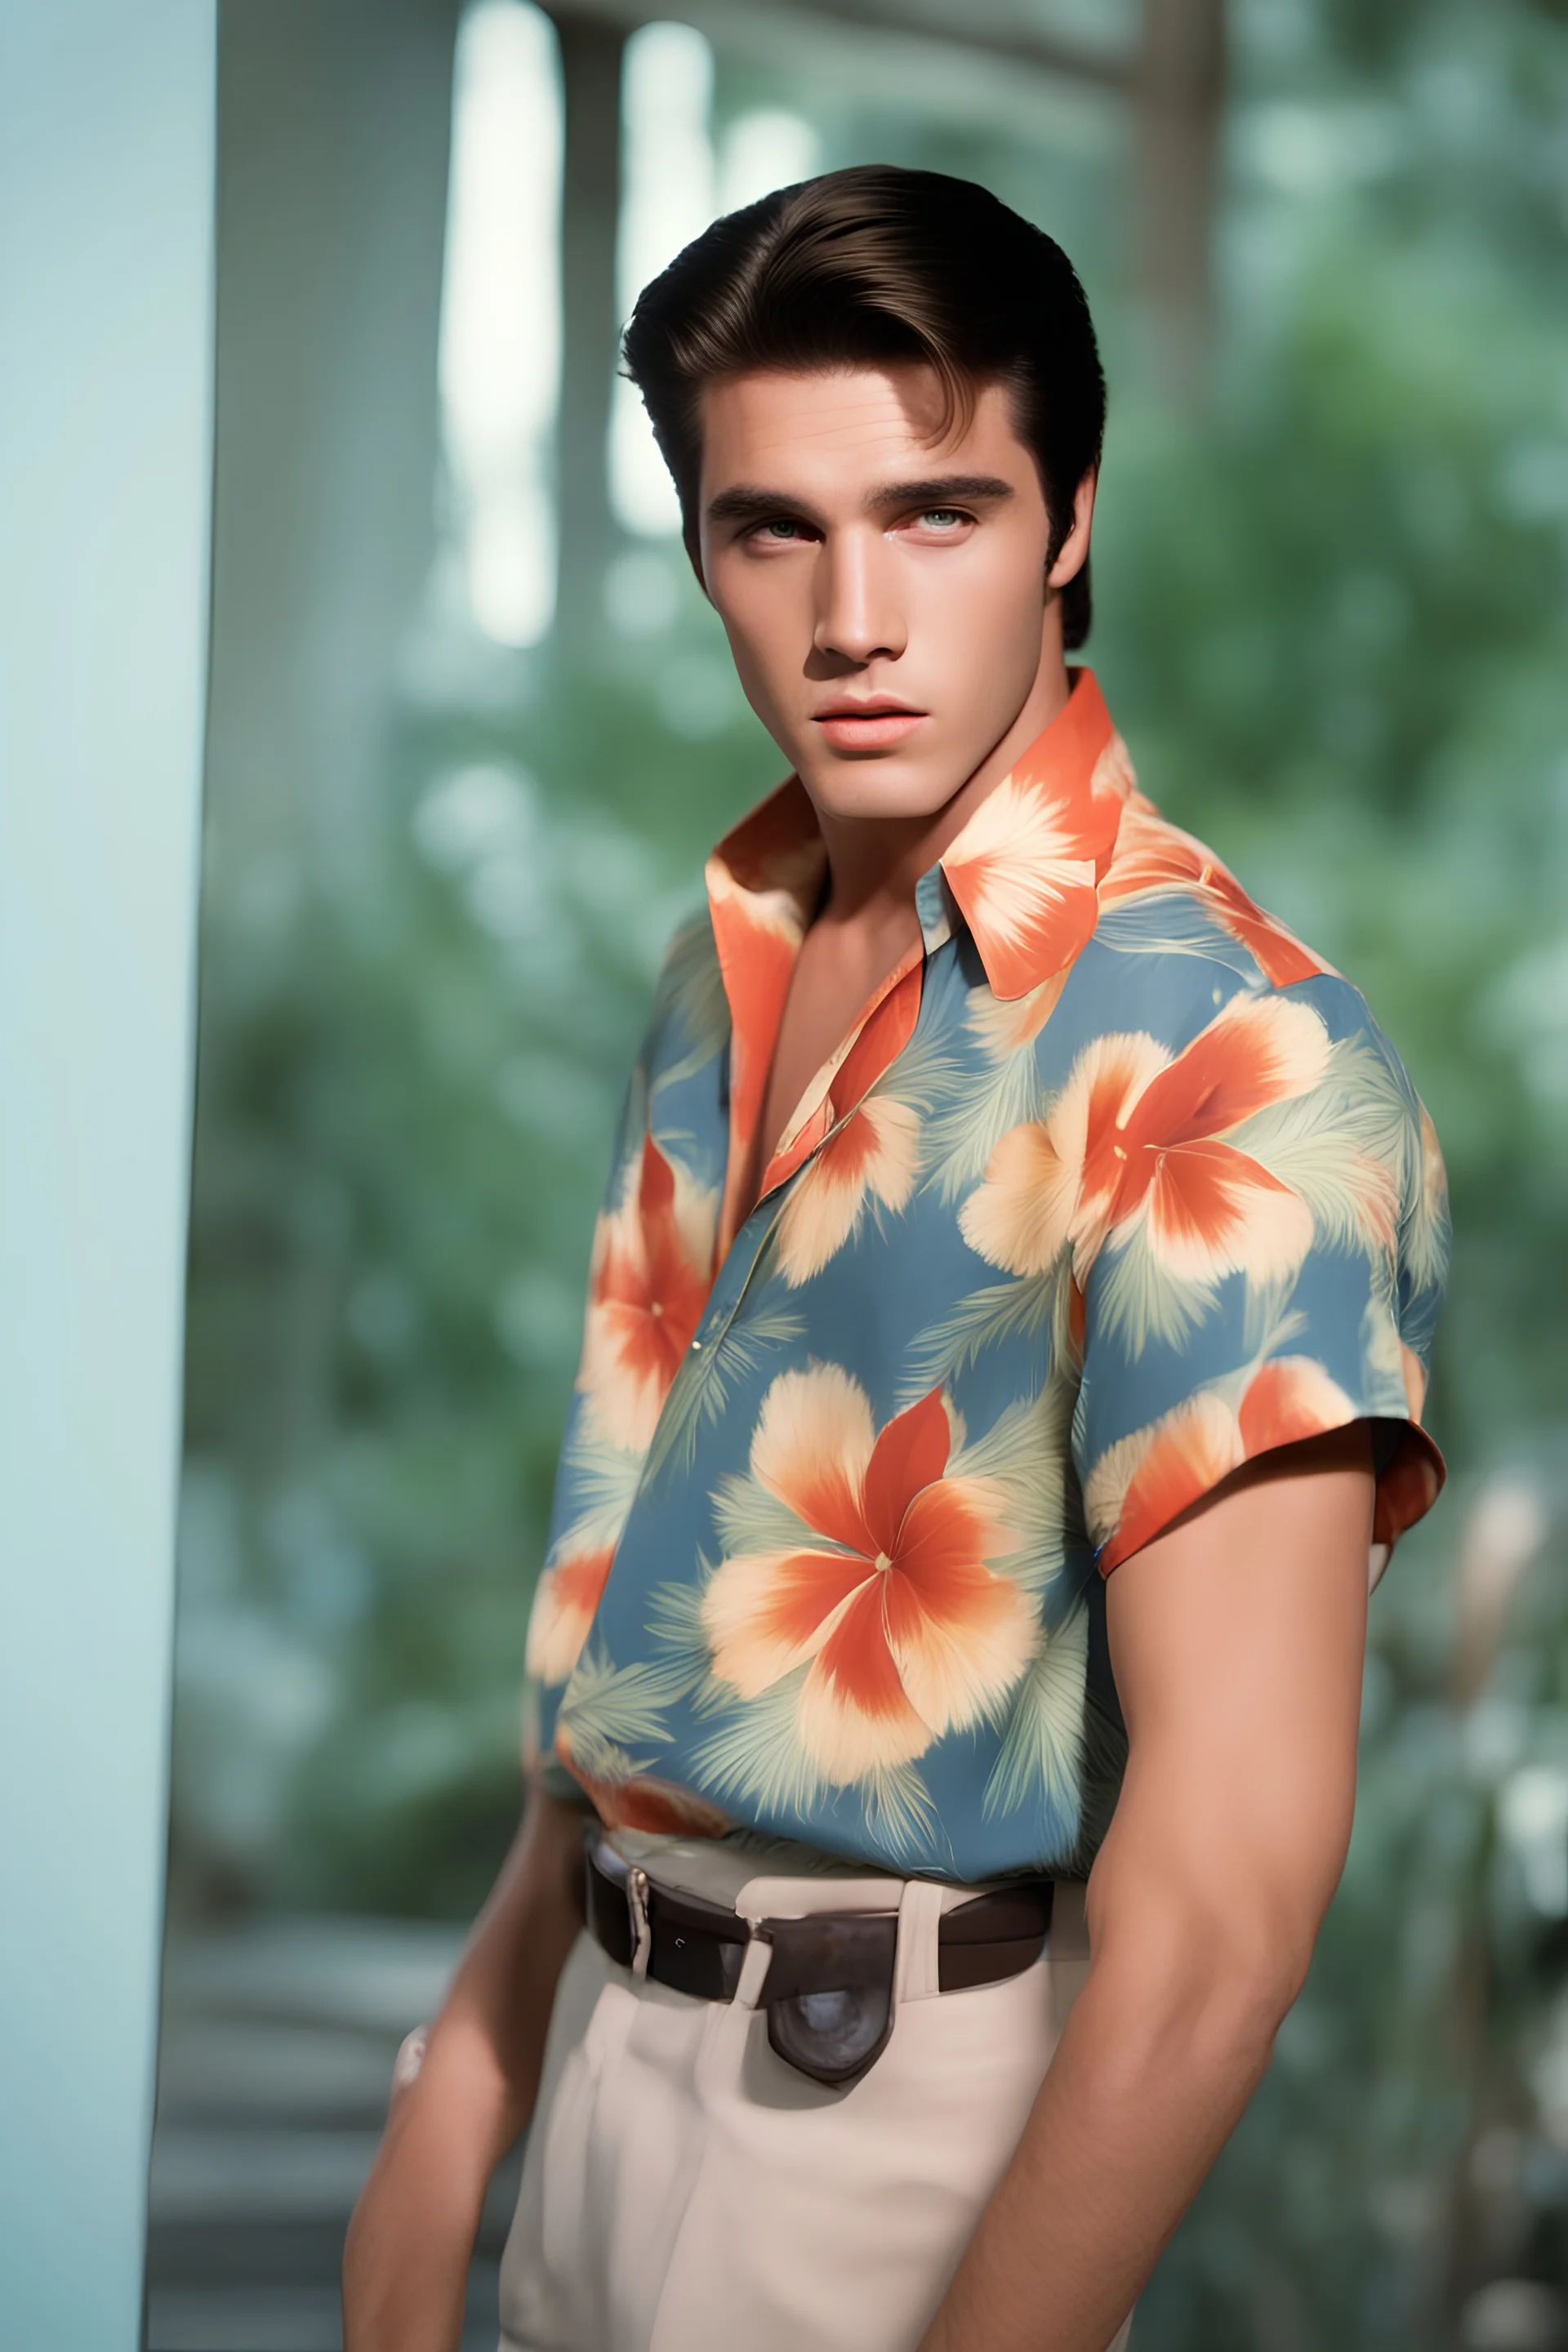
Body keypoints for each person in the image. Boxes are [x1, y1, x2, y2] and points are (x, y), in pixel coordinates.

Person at [342, 166, 1450, 2352]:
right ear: (703, 554)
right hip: (598, 2058)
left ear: (1067, 523)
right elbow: (641, 1637)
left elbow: (1223, 1929)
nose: (856, 614)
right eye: (777, 529)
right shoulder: (717, 967)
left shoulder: (1226, 1055)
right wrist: (463, 2081)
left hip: (905, 2146)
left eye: (936, 512)